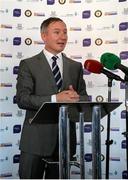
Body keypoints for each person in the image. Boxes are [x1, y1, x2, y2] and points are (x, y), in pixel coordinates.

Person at [16, 17, 89, 179]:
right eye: (57, 32)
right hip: (35, 142)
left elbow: (83, 97)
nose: (63, 37)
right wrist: (55, 98)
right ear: (44, 36)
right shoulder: (28, 65)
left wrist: (78, 98)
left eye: (65, 32)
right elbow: (22, 99)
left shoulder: (75, 66)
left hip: (65, 142)